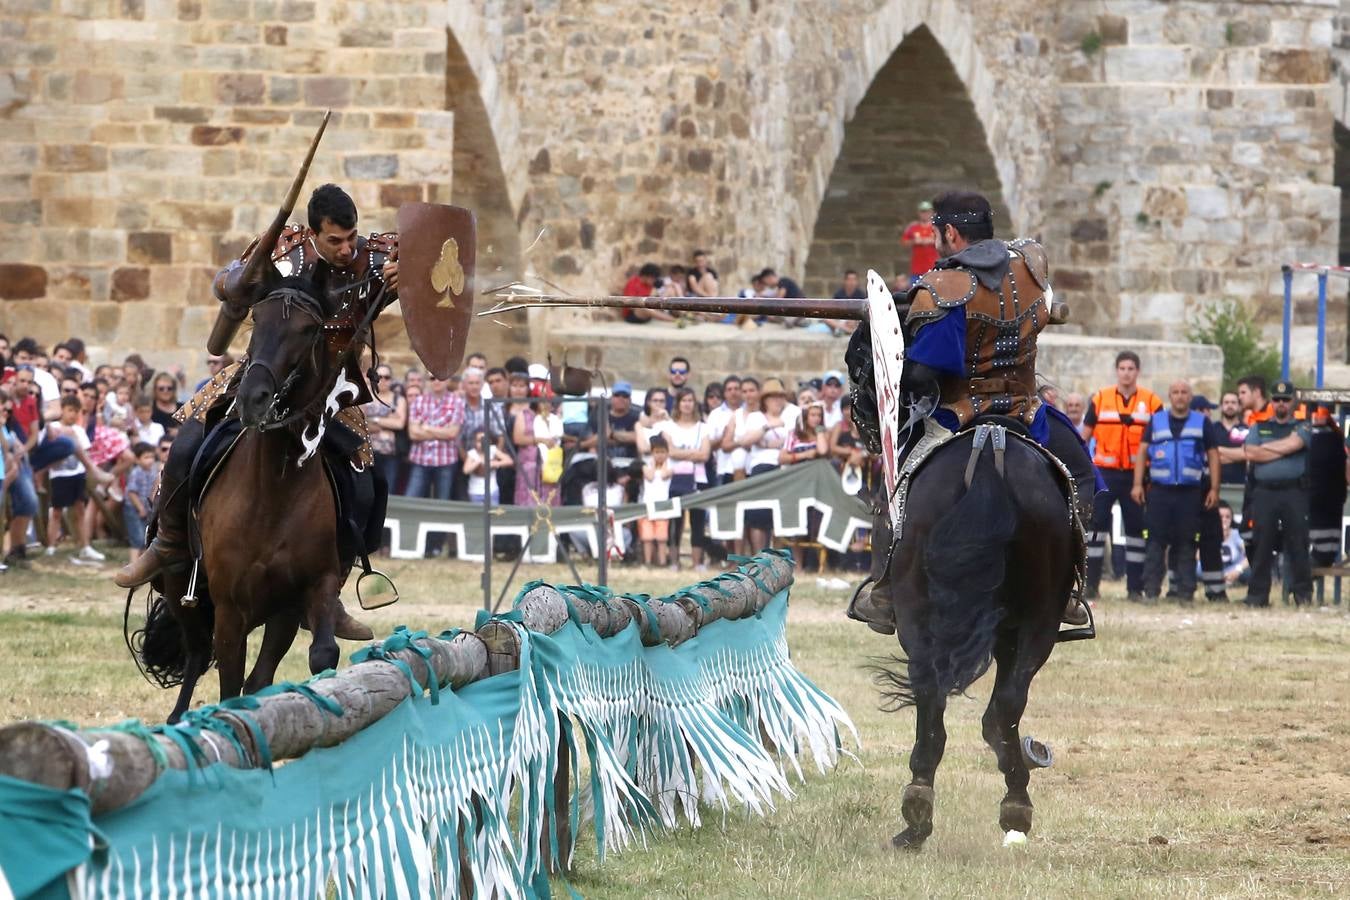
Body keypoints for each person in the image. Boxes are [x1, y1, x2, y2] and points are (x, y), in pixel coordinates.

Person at [114, 184, 398, 642]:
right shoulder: (283, 250)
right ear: (312, 232)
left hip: (332, 390)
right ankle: (167, 543)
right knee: (189, 440)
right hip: (265, 374)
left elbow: (443, 274)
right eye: (335, 241)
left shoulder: (379, 259)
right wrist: (238, 281)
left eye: (351, 238)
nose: (346, 249)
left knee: (369, 480)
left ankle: (331, 590)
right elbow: (224, 281)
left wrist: (417, 279)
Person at [847, 190, 1099, 633]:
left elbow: (926, 373)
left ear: (949, 232)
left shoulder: (942, 287)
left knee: (896, 484)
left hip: (957, 415)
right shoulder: (1032, 270)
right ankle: (1069, 592)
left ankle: (885, 592)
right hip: (1026, 412)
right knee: (1079, 477)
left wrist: (897, 339)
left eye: (937, 234)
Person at [1082, 351, 1162, 601]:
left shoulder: (1151, 401)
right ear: (1117, 371)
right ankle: (1091, 585)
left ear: (1137, 372)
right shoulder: (1100, 398)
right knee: (1096, 531)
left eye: (1131, 368)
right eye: (1122, 368)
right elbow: (1083, 437)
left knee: (1136, 533)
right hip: (1104, 474)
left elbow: (1162, 437)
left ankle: (1134, 589)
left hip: (1136, 476)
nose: (1126, 373)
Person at [1130, 380, 1220, 602]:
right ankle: (1151, 591)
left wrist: (1215, 489)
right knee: (1154, 542)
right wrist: (1138, 484)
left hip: (1190, 493)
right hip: (1160, 492)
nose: (1180, 396)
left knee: (1187, 542)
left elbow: (1214, 455)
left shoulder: (1202, 422)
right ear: (1169, 396)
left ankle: (1185, 592)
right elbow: (1142, 452)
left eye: (1184, 392)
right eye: (1175, 392)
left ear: (1190, 397)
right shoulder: (1156, 421)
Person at [1242, 381, 1312, 607]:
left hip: (1294, 491)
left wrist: (1267, 448)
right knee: (1261, 544)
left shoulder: (1303, 425)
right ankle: (1257, 597)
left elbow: (1295, 444)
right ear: (1271, 401)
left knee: (1298, 542)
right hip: (1265, 492)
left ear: (1293, 402)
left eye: (1286, 399)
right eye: (1277, 399)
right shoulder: (1259, 426)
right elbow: (1252, 453)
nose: (1281, 404)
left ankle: (1302, 595)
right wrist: (1281, 448)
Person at [44, 395, 113, 562]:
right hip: (59, 475)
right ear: (62, 410)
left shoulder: (79, 431)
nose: (73, 414)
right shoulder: (53, 428)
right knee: (57, 512)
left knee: (80, 510)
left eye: (76, 411)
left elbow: (85, 453)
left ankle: (85, 545)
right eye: (70, 410)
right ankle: (51, 546)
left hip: (77, 474)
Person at [736, 377, 792, 553]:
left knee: (780, 515)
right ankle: (759, 556)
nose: (777, 400)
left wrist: (767, 443)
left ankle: (777, 557)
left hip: (783, 468)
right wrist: (768, 427)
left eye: (780, 396)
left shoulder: (791, 416)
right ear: (765, 400)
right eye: (772, 397)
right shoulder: (756, 417)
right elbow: (745, 441)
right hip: (761, 467)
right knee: (758, 513)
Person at [406, 374, 465, 500]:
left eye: (440, 377)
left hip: (445, 460)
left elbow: (453, 433)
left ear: (448, 379)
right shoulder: (418, 400)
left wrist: (426, 427)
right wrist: (443, 431)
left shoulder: (457, 401)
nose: (436, 381)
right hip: (420, 459)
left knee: (442, 503)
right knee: (411, 500)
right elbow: (413, 433)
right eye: (432, 378)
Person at [1306, 404, 1347, 568]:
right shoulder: (1332, 439)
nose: (1318, 417)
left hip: (1324, 499)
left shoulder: (1331, 439)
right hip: (1323, 499)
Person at [363, 364, 406, 493]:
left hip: (390, 454)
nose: (383, 380)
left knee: (388, 491)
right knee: (367, 491)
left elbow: (399, 424)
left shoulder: (399, 399)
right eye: (379, 376)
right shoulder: (364, 396)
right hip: (366, 452)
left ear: (391, 379)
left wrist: (374, 419)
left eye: (387, 377)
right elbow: (361, 422)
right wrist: (389, 419)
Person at [639, 434, 673, 567]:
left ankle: (662, 561)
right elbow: (650, 476)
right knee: (647, 537)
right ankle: (648, 561)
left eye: (663, 452)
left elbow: (665, 475)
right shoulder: (646, 466)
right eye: (657, 452)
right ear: (652, 452)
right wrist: (653, 464)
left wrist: (664, 463)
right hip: (647, 505)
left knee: (661, 537)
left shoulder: (669, 468)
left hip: (663, 506)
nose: (659, 455)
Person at [123, 441, 159, 564]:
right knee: (136, 538)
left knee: (145, 537)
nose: (150, 460)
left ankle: (143, 564)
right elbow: (132, 492)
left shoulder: (154, 471)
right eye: (146, 457)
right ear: (137, 460)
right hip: (133, 510)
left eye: (152, 457)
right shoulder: (136, 473)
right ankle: (133, 564)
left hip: (147, 510)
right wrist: (140, 508)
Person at [463, 426, 511, 505]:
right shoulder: (472, 453)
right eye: (479, 441)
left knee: (493, 515)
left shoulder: (492, 450)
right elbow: (466, 470)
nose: (482, 443)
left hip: (492, 491)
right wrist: (478, 462)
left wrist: (495, 463)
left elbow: (509, 461)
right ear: (475, 442)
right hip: (475, 492)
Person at [901, 200, 939, 278]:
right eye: (923, 212)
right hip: (917, 269)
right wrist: (914, 241)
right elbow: (904, 242)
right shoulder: (913, 227)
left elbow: (946, 241)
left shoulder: (937, 226)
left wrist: (932, 241)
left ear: (932, 212)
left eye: (928, 212)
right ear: (919, 213)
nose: (925, 214)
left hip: (933, 268)